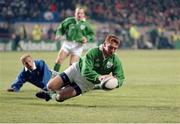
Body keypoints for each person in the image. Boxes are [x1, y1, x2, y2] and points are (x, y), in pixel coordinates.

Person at [36, 34, 125, 102]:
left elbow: (120, 77)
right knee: (50, 86)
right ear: (105, 44)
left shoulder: (115, 60)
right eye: (110, 47)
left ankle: (49, 96)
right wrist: (98, 77)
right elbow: (85, 71)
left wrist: (115, 82)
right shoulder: (93, 52)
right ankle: (54, 89)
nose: (112, 51)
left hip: (87, 84)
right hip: (76, 70)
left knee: (59, 97)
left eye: (115, 48)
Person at [53, 7, 95, 72]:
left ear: (84, 14)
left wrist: (87, 38)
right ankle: (53, 76)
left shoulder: (86, 24)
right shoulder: (69, 20)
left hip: (78, 46)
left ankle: (68, 81)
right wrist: (59, 34)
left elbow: (92, 34)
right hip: (68, 43)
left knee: (72, 65)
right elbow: (61, 28)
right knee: (59, 60)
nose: (79, 15)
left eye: (81, 13)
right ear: (75, 14)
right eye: (78, 13)